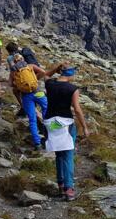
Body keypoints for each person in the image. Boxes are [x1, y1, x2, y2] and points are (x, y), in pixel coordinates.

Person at [43, 63, 91, 202]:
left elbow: (45, 75)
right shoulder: (72, 89)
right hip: (66, 123)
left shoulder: (50, 84)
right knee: (68, 155)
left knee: (58, 153)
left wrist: (55, 68)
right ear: (71, 74)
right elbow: (76, 109)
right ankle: (69, 189)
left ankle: (61, 184)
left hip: (51, 123)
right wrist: (85, 127)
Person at [8, 54, 62, 151]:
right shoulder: (30, 66)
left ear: (14, 62)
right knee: (46, 110)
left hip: (26, 96)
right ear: (23, 59)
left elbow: (10, 84)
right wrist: (34, 79)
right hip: (38, 92)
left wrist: (20, 85)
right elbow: (43, 72)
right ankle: (49, 134)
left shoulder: (13, 71)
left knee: (32, 119)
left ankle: (37, 144)